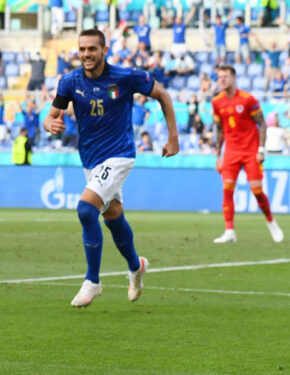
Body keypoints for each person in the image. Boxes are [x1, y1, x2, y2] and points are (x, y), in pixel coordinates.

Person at [43, 29, 180, 308]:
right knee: (113, 216)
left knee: (85, 209)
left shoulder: (126, 77)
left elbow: (163, 95)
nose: (85, 54)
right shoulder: (70, 81)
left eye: (92, 49)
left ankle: (92, 281)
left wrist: (173, 137)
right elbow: (51, 115)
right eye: (81, 49)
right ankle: (136, 266)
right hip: (91, 160)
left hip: (120, 155)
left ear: (104, 50)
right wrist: (50, 124)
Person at [212, 65, 283, 244]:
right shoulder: (216, 102)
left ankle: (271, 221)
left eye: (225, 76)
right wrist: (218, 156)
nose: (222, 79)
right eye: (219, 76)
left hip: (251, 151)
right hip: (231, 152)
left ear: (234, 78)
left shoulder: (247, 99)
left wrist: (261, 149)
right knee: (227, 190)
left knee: (257, 191)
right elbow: (219, 130)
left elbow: (262, 124)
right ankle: (229, 231)